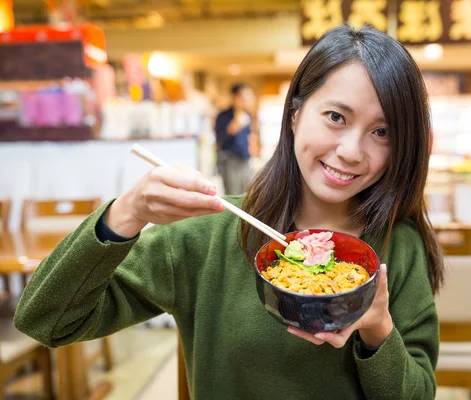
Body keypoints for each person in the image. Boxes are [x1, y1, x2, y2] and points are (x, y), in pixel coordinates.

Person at [15, 24, 444, 399]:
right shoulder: (211, 232)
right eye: (335, 116)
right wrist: (125, 215)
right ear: (294, 115)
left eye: (381, 131)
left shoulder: (397, 247)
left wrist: (378, 330)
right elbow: (46, 320)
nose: (351, 151)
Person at [215, 82, 255, 195]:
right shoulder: (223, 116)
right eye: (243, 97)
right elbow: (220, 138)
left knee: (246, 195)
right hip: (230, 160)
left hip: (245, 159)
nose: (246, 100)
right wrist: (233, 127)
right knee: (233, 195)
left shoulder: (247, 115)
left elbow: (248, 137)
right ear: (235, 97)